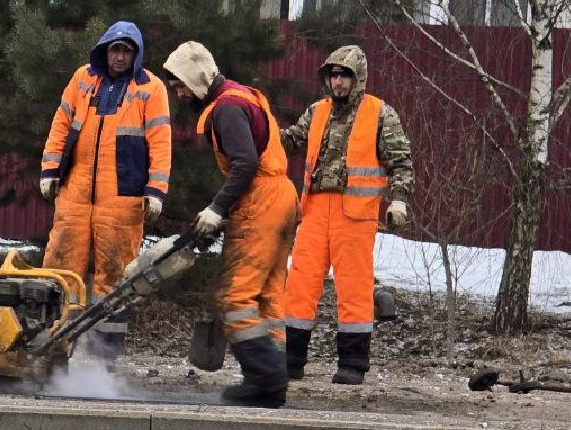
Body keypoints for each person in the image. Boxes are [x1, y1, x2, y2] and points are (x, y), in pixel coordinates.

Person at [162, 40, 298, 407]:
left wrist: (217, 208)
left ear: (198, 77)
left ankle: (265, 381)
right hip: (281, 197)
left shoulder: (227, 108)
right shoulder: (242, 96)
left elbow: (246, 163)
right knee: (267, 295)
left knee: (234, 295)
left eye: (181, 85)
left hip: (262, 201)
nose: (179, 94)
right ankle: (274, 379)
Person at [279, 45, 413, 386]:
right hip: (313, 211)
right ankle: (289, 360)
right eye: (333, 75)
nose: (337, 82)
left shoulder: (380, 113)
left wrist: (398, 201)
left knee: (354, 288)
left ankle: (353, 364)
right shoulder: (317, 111)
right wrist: (258, 129)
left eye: (344, 76)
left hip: (354, 215)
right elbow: (289, 141)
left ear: (358, 79)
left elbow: (401, 163)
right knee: (299, 286)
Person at [39, 21, 171, 356]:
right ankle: (50, 349)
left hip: (122, 198)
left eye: (127, 51)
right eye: (115, 49)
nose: (120, 57)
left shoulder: (151, 88)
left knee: (115, 276)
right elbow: (61, 124)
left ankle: (103, 361)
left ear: (136, 54)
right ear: (104, 50)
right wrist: (50, 170)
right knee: (60, 267)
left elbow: (160, 142)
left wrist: (156, 191)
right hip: (75, 191)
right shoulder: (83, 79)